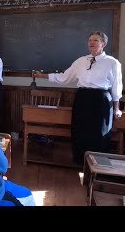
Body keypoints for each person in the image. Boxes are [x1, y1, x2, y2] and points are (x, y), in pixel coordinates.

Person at [34, 31, 122, 165]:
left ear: (103, 44)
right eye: (90, 40)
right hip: (82, 98)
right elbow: (64, 77)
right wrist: (43, 76)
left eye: (95, 40)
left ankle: (98, 165)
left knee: (100, 132)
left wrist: (116, 108)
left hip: (101, 99)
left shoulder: (112, 63)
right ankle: (80, 162)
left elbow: (117, 87)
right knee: (79, 130)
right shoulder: (81, 61)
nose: (91, 43)